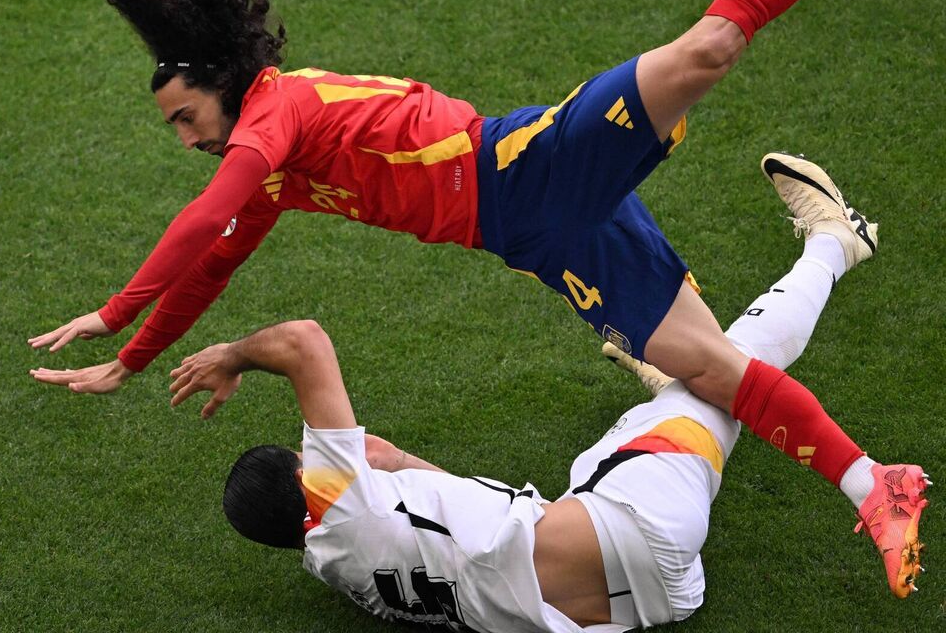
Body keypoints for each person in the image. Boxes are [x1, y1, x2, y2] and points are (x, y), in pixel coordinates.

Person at [28, 0, 928, 593]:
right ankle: (876, 486)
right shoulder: (270, 166)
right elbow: (213, 261)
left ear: (222, 85)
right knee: (712, 372)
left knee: (707, 48)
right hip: (540, 240)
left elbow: (204, 219)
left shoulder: (276, 113)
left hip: (526, 164)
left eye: (186, 118)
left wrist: (114, 312)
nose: (186, 139)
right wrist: (134, 359)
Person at [165, 158, 928, 631]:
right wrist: (233, 355)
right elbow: (304, 342)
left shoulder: (331, 563)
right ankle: (835, 240)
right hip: (637, 526)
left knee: (627, 436)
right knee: (721, 374)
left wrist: (386, 457)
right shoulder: (338, 502)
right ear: (308, 486)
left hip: (644, 596)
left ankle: (660, 398)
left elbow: (410, 487)